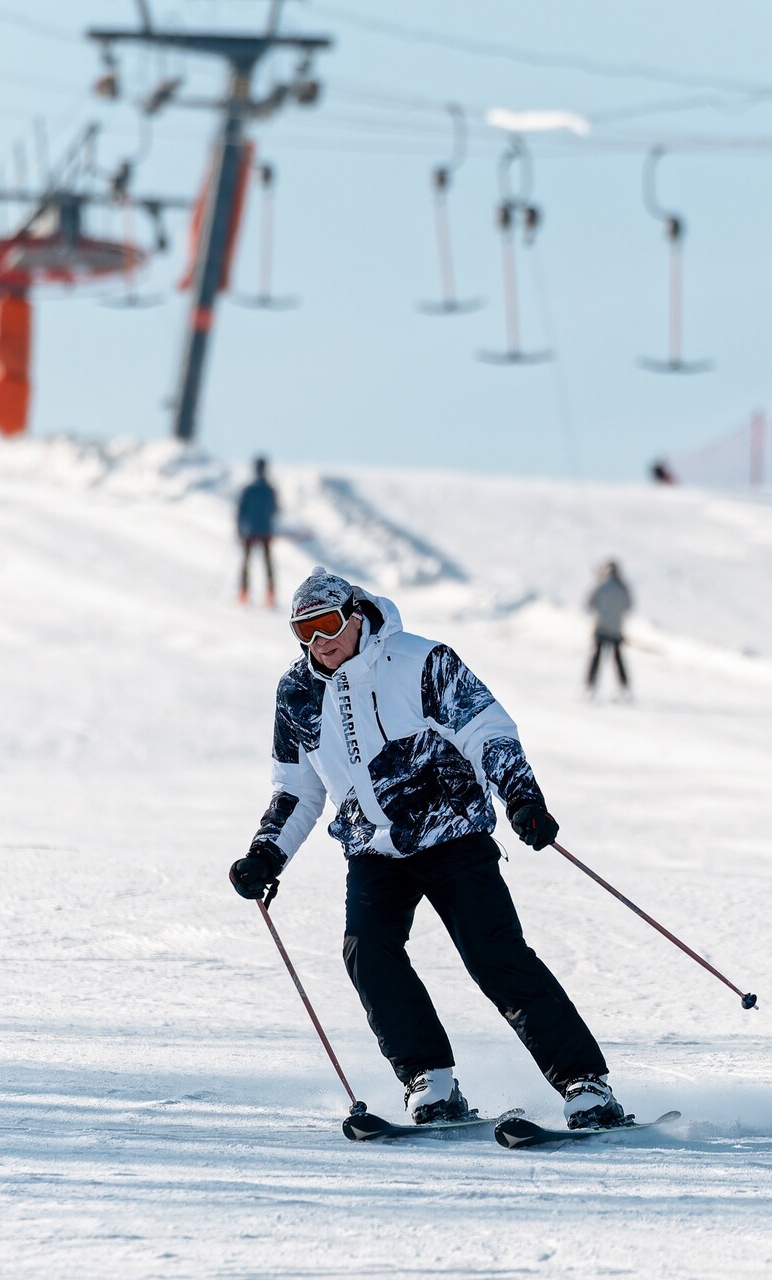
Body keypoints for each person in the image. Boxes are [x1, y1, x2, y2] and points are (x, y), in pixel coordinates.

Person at [228, 568, 623, 1130]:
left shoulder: (422, 661)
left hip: (452, 834)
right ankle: (430, 1080)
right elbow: (297, 789)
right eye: (304, 631)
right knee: (367, 950)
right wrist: (266, 855)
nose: (320, 641)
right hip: (373, 847)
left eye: (328, 624)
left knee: (494, 956)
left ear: (357, 614)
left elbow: (486, 729)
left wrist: (521, 797)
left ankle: (585, 1083)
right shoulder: (297, 693)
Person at [585, 560, 633, 699]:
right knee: (618, 660)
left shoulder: (601, 586)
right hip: (616, 629)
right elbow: (628, 605)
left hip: (601, 628)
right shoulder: (622, 588)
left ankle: (590, 686)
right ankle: (624, 688)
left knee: (597, 658)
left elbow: (590, 603)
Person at [236, 456, 279, 608]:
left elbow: (241, 511)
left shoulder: (249, 490)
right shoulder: (270, 490)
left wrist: (239, 530)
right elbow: (276, 510)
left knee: (247, 564)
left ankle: (243, 593)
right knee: (267, 564)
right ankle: (270, 595)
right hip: (265, 531)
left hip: (250, 531)